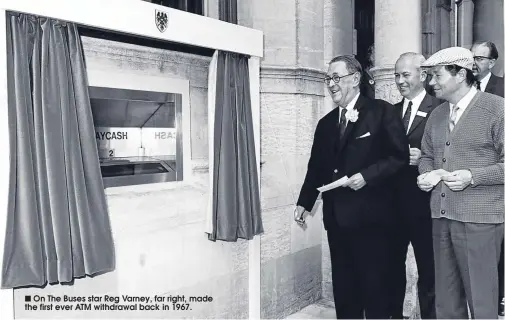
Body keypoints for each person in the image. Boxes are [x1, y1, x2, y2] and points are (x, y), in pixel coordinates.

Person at [294, 55, 409, 319]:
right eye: (328, 79)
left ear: (355, 79)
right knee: (345, 291)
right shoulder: (325, 125)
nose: (331, 84)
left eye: (337, 77)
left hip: (373, 222)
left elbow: (398, 157)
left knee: (376, 289)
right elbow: (316, 170)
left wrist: (367, 176)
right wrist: (304, 202)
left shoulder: (382, 112)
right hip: (336, 220)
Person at [418, 46, 504, 319]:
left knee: (481, 299)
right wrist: (426, 173)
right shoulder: (437, 115)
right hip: (441, 218)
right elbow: (427, 156)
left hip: (481, 221)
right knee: (446, 299)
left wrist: (473, 176)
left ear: (461, 74)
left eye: (437, 75)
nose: (431, 83)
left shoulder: (497, 109)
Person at [389, 52, 439, 320]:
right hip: (393, 208)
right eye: (397, 75)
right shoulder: (390, 112)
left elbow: (451, 155)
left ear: (423, 75)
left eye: (405, 74)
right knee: (392, 270)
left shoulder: (440, 109)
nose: (400, 80)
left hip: (426, 207)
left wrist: (425, 159)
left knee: (429, 272)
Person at [471, 40, 505, 316]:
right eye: (471, 57)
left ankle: (499, 299)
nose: (473, 63)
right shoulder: (464, 90)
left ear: (492, 63)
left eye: (479, 58)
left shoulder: (503, 89)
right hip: (470, 181)